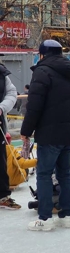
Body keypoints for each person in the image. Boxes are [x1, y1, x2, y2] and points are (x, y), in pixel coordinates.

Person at [21, 40, 70, 229]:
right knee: (64, 173)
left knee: (44, 173)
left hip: (49, 132)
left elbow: (34, 105)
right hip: (68, 131)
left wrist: (26, 131)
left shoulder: (42, 71)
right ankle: (66, 215)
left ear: (42, 54)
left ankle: (45, 218)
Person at [0, 62, 18, 209]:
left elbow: (12, 94)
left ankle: (2, 196)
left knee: (0, 162)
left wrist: (2, 107)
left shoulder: (2, 75)